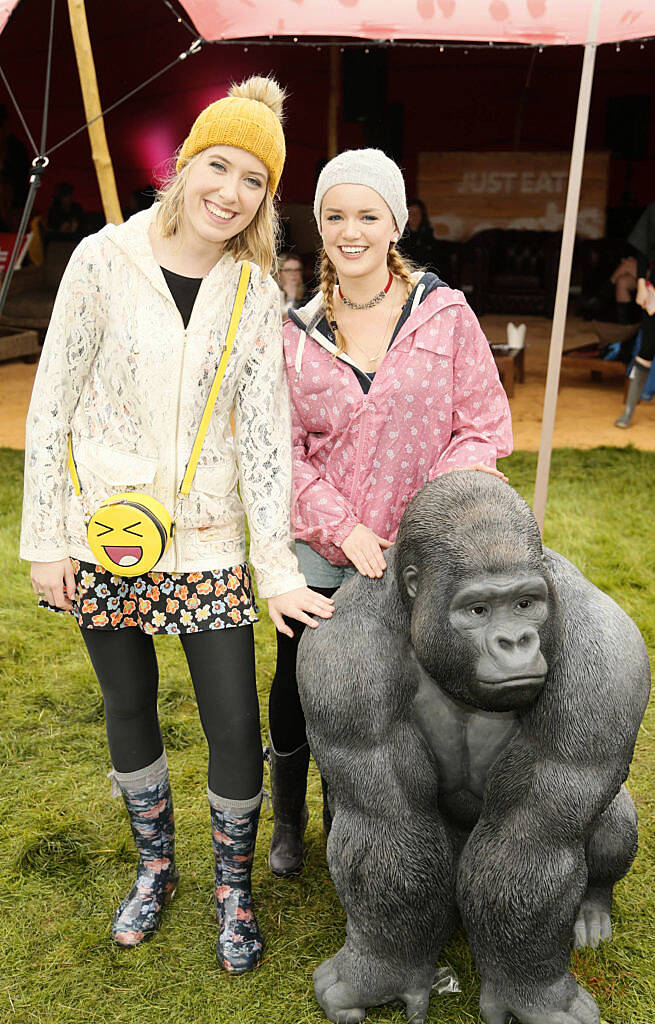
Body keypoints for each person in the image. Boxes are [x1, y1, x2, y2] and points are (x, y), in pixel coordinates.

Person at [20, 76, 333, 973]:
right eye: (219, 166)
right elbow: (52, 406)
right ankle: (156, 869)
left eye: (252, 183)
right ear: (185, 163)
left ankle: (233, 887)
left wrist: (273, 565)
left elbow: (267, 437)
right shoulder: (100, 260)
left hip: (205, 541)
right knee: (127, 705)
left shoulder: (253, 293)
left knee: (233, 722)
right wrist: (46, 539)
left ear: (266, 202)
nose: (229, 193)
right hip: (106, 532)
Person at [266, 149, 513, 878]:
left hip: (422, 549)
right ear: (317, 226)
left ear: (395, 223)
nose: (350, 231)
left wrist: (419, 521)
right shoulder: (294, 331)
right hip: (323, 548)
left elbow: (481, 427)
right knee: (303, 683)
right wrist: (341, 525)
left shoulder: (445, 315)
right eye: (334, 216)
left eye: (367, 215)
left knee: (404, 690)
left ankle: (373, 814)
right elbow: (278, 451)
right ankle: (289, 813)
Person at [615, 201, 655, 428]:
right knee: (647, 349)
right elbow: (643, 249)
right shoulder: (653, 210)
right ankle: (629, 411)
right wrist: (641, 283)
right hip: (654, 291)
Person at [276, 251, 305, 319]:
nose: (293, 273)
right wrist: (290, 297)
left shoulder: (308, 294)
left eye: (297, 270)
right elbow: (283, 321)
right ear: (279, 273)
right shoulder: (274, 293)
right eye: (288, 270)